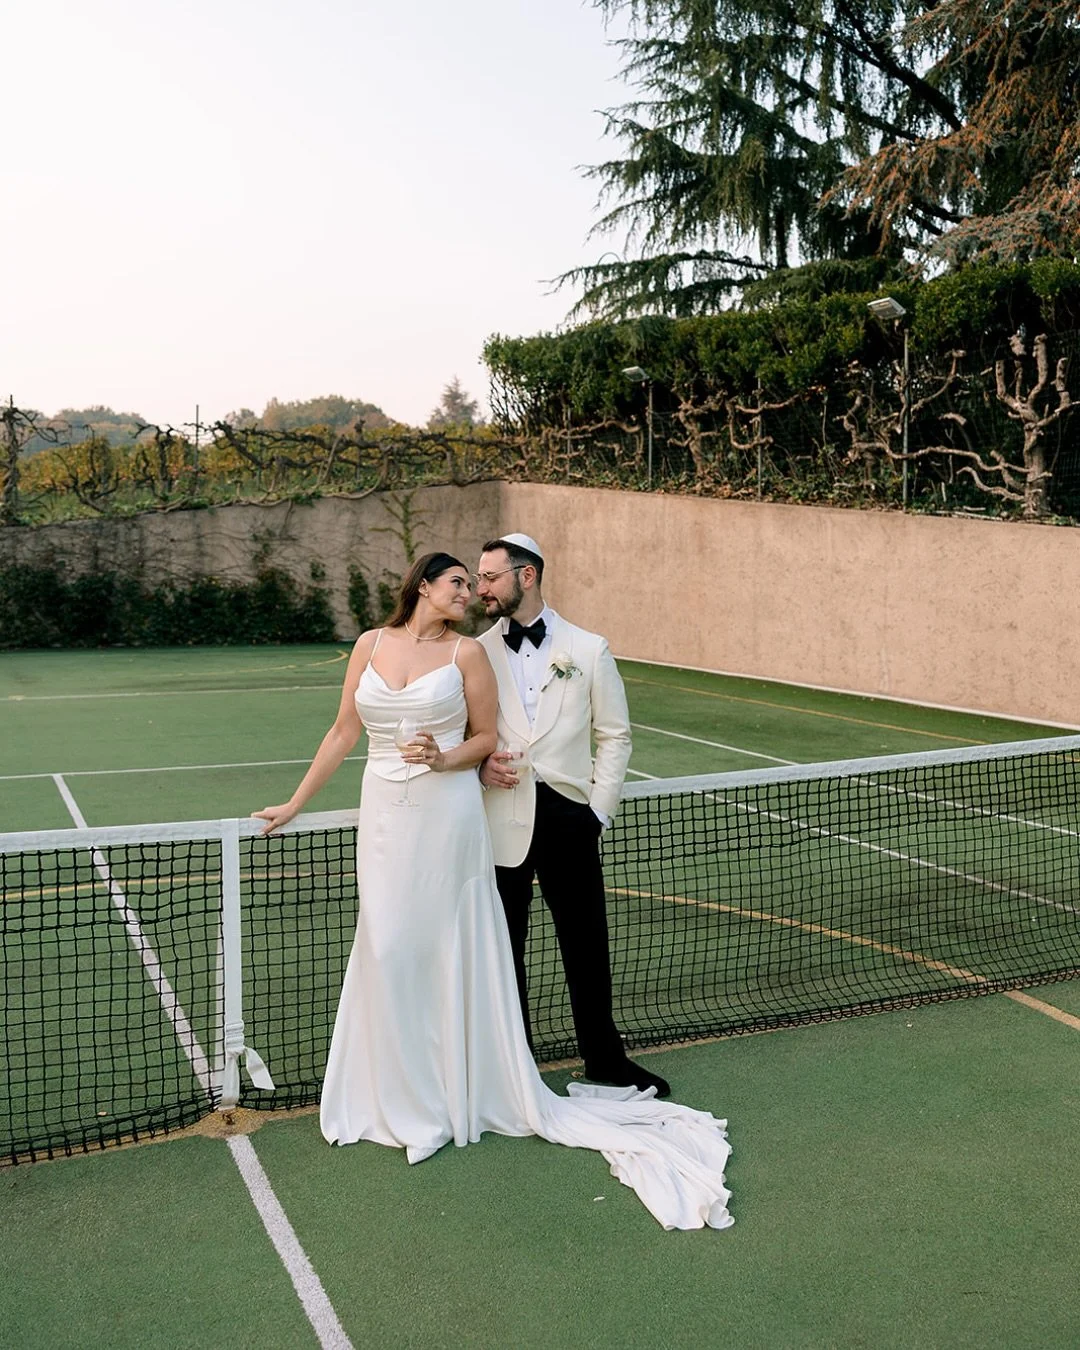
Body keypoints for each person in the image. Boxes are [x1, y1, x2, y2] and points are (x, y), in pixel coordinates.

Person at [254, 551, 732, 1230]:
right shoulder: (368, 644)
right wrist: (293, 803)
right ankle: (387, 1096)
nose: (470, 593)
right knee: (388, 947)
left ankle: (443, 1102)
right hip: (384, 816)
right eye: (458, 583)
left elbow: (484, 738)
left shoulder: (468, 655)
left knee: (445, 947)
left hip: (448, 820)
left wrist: (444, 759)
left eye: (478, 583)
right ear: (424, 586)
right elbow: (342, 732)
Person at [475, 533, 671, 1099]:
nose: (481, 588)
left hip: (570, 817)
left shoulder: (588, 649)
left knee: (586, 942)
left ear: (526, 575)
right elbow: (468, 734)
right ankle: (516, 1066)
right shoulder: (478, 651)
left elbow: (615, 736)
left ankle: (605, 1058)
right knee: (504, 945)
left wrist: (597, 814)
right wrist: (480, 768)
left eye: (490, 577)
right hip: (500, 817)